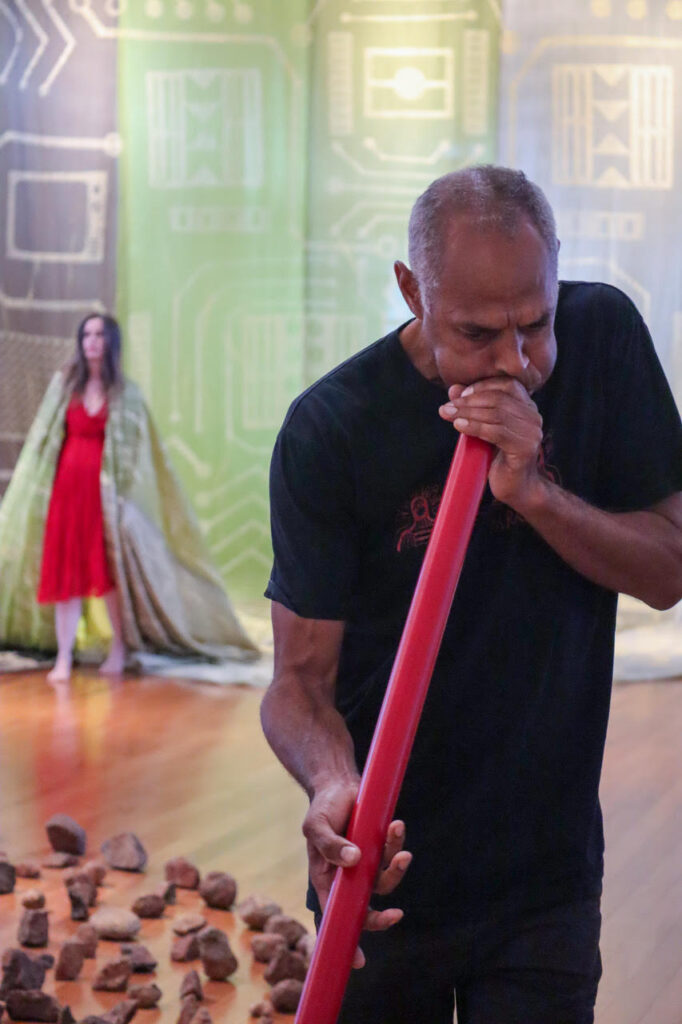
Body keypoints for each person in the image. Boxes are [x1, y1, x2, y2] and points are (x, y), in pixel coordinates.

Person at [260, 166, 682, 1023]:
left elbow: (670, 571)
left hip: (547, 878)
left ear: (558, 275)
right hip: (383, 873)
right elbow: (298, 681)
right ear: (413, 292)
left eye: (536, 324)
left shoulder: (604, 343)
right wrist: (334, 783)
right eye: (479, 333)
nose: (517, 363)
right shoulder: (333, 428)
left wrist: (536, 494)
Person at [0, 312, 257, 679]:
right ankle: (63, 658)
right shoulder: (64, 386)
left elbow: (138, 456)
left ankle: (119, 649)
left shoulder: (125, 393)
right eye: (86, 334)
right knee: (65, 579)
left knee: (107, 577)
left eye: (99, 334)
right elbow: (43, 443)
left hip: (102, 500)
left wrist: (124, 502)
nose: (91, 341)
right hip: (65, 495)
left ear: (111, 343)